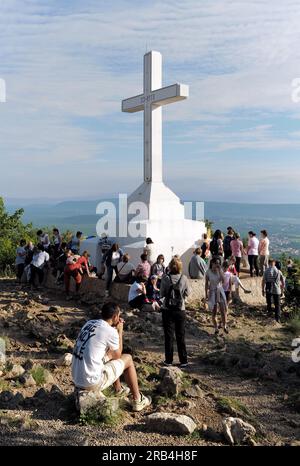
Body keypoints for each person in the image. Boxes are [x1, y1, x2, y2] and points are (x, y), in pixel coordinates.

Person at [72, 302, 151, 412]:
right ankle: (138, 399)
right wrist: (119, 331)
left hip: (76, 379)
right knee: (127, 358)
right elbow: (118, 354)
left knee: (108, 357)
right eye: (118, 315)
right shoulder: (110, 331)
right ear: (115, 317)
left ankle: (118, 389)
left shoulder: (89, 323)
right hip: (91, 382)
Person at [160, 257, 190, 368]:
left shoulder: (165, 278)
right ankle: (183, 360)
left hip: (167, 310)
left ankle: (168, 360)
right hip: (180, 310)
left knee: (168, 336)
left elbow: (162, 293)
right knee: (180, 335)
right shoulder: (184, 278)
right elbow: (187, 293)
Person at [205, 257, 228, 335]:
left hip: (219, 291)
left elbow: (224, 281)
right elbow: (206, 284)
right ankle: (216, 328)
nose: (217, 265)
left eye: (218, 263)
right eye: (216, 263)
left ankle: (225, 326)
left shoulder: (220, 271)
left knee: (223, 310)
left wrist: (220, 271)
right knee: (214, 312)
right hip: (212, 292)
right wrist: (206, 294)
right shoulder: (208, 272)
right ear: (212, 263)